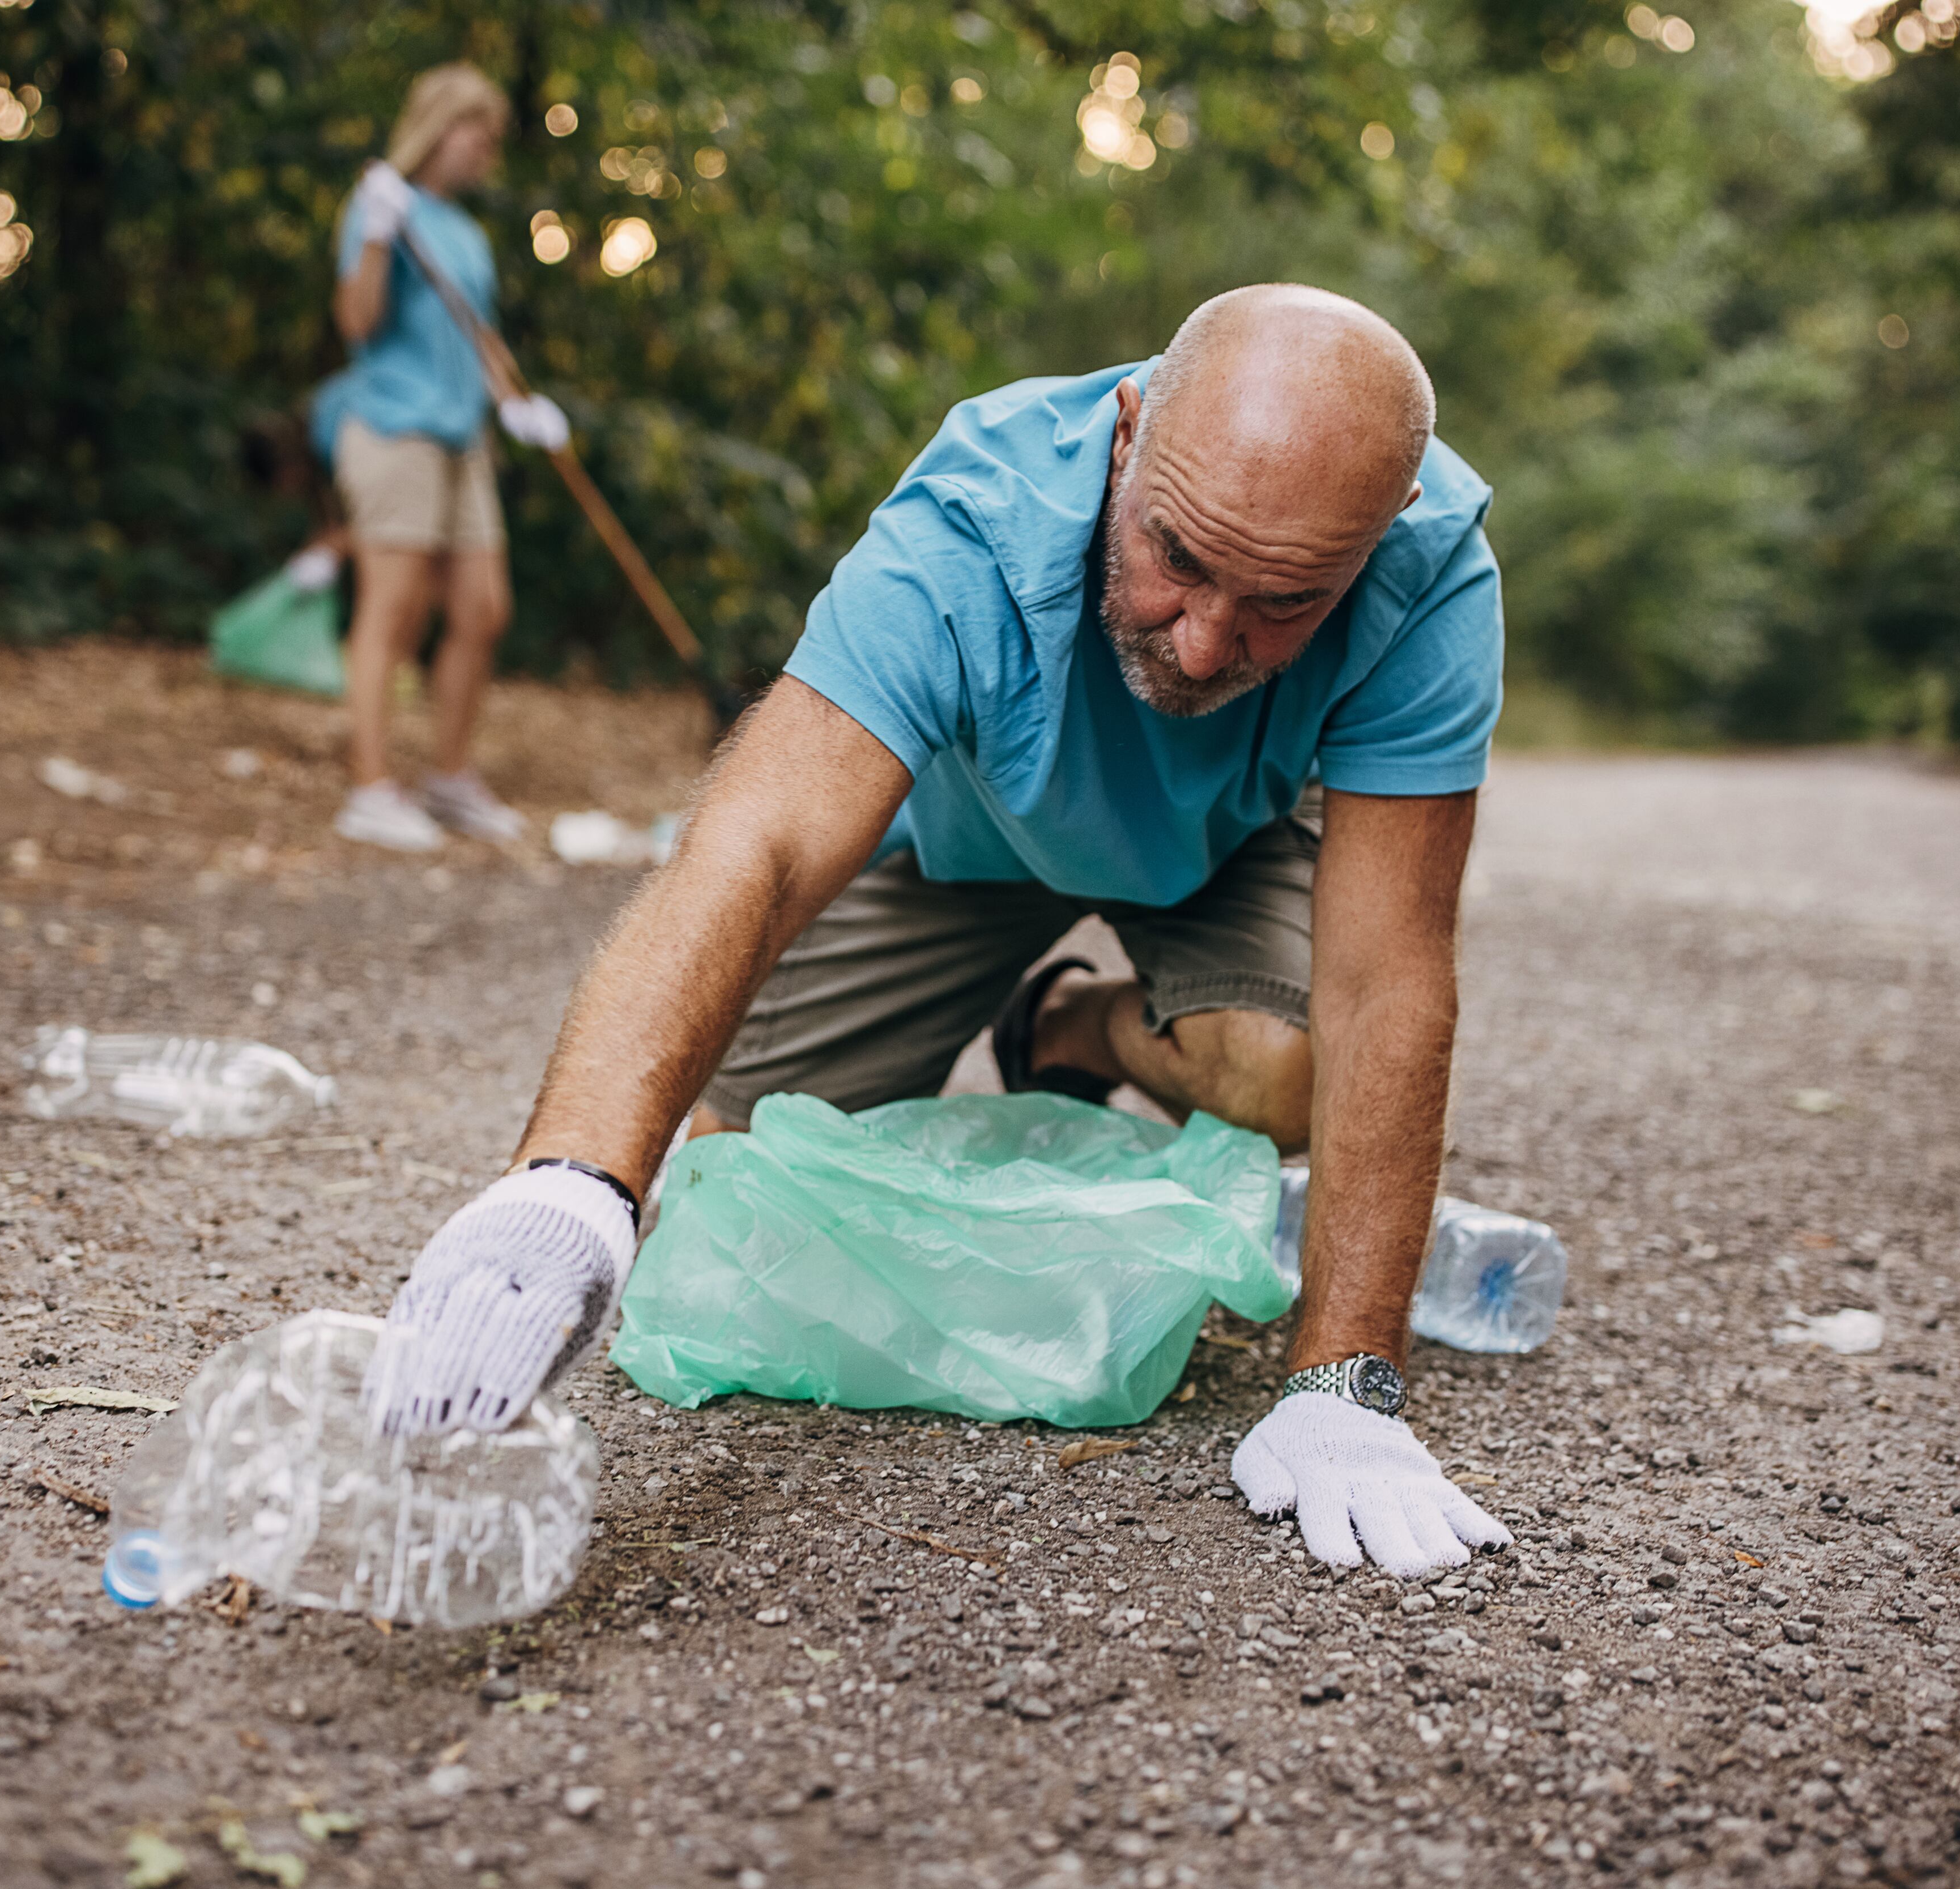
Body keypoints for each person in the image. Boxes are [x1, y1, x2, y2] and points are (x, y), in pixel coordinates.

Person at [382, 285, 1514, 1581]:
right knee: (736, 1171)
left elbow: (1388, 981)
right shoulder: (972, 516)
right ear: (1127, 435)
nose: (1205, 649)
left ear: (1369, 553)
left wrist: (1347, 1380)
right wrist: (576, 1181)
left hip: (1231, 840)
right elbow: (759, 846)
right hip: (971, 844)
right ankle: (1017, 1001)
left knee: (1278, 1073)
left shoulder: (1431, 568)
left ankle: (1066, 1024)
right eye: (1178, 561)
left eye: (1286, 602)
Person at [313, 62, 569, 853]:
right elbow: (358, 321)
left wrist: (515, 399)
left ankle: (449, 779)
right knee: (394, 606)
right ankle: (370, 788)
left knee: (483, 609)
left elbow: (476, 331)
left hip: (464, 437)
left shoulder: (464, 231)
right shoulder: (380, 204)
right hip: (395, 427)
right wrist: (381, 237)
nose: (487, 152)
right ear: (440, 128)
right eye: (478, 135)